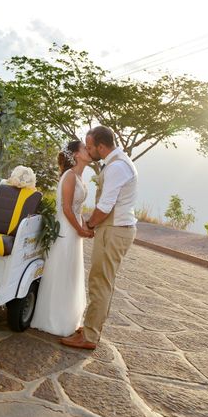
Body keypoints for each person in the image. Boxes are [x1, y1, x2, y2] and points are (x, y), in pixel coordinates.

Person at [61, 126, 138, 349]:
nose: (89, 149)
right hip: (117, 228)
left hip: (114, 230)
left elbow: (105, 205)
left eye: (91, 146)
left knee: (99, 283)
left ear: (101, 147)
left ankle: (89, 336)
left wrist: (89, 225)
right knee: (102, 281)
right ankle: (90, 328)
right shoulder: (119, 162)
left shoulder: (116, 168)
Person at [31, 140, 94, 337]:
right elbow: (66, 208)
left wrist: (85, 226)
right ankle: (54, 319)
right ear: (76, 154)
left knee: (71, 272)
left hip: (74, 230)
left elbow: (77, 209)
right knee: (62, 270)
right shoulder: (69, 176)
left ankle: (68, 317)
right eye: (84, 148)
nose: (88, 151)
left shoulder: (80, 177)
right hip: (65, 230)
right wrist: (79, 229)